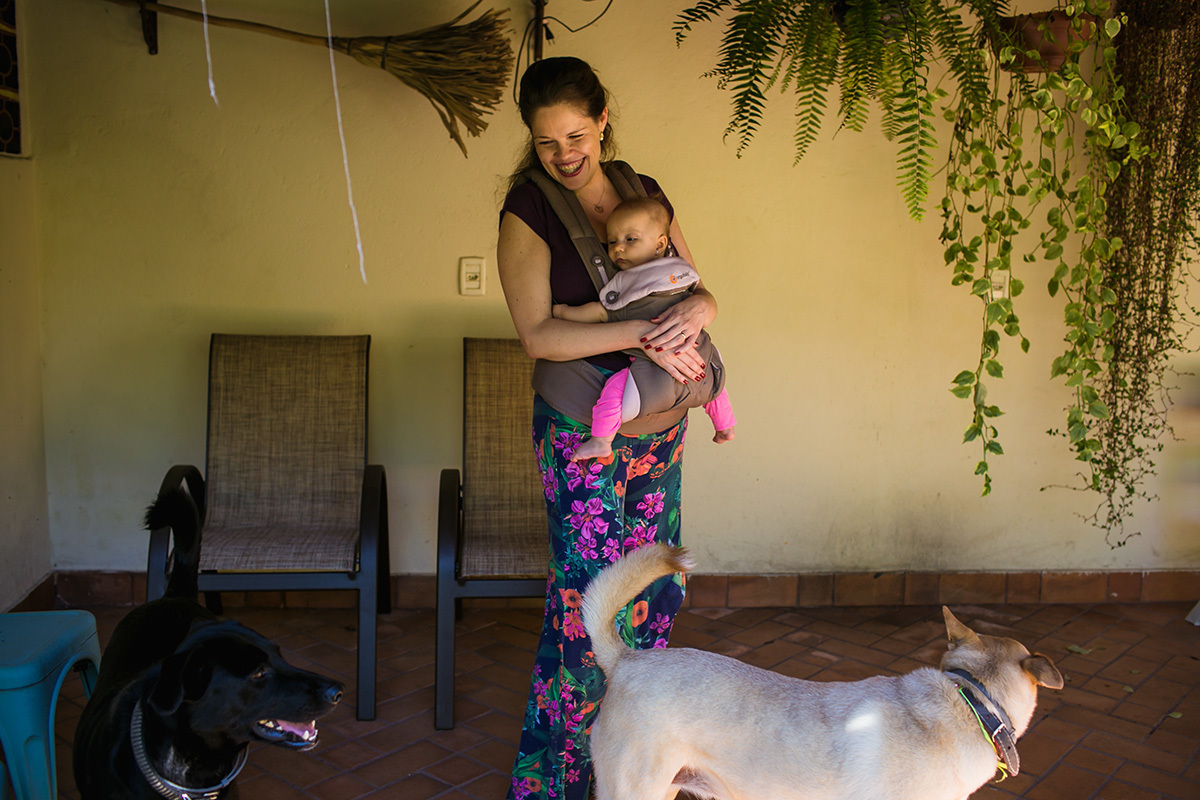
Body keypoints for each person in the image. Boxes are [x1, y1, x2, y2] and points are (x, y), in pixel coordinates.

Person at [496, 56, 719, 800]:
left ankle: (633, 771)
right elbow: (538, 334)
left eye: (577, 134)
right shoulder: (527, 211)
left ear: (602, 122)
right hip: (579, 431)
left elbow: (692, 282)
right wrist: (642, 335)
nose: (565, 154)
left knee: (656, 590)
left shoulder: (643, 193)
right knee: (588, 605)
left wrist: (701, 312)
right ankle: (554, 784)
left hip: (659, 424)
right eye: (548, 141)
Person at [551, 196, 736, 461]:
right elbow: (700, 297)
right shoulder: (679, 274)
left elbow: (600, 312)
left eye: (630, 239)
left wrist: (562, 312)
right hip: (697, 368)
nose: (618, 249)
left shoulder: (626, 286)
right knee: (713, 378)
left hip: (650, 382)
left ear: (661, 244)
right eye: (612, 241)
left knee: (614, 390)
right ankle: (725, 425)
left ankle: (601, 439)